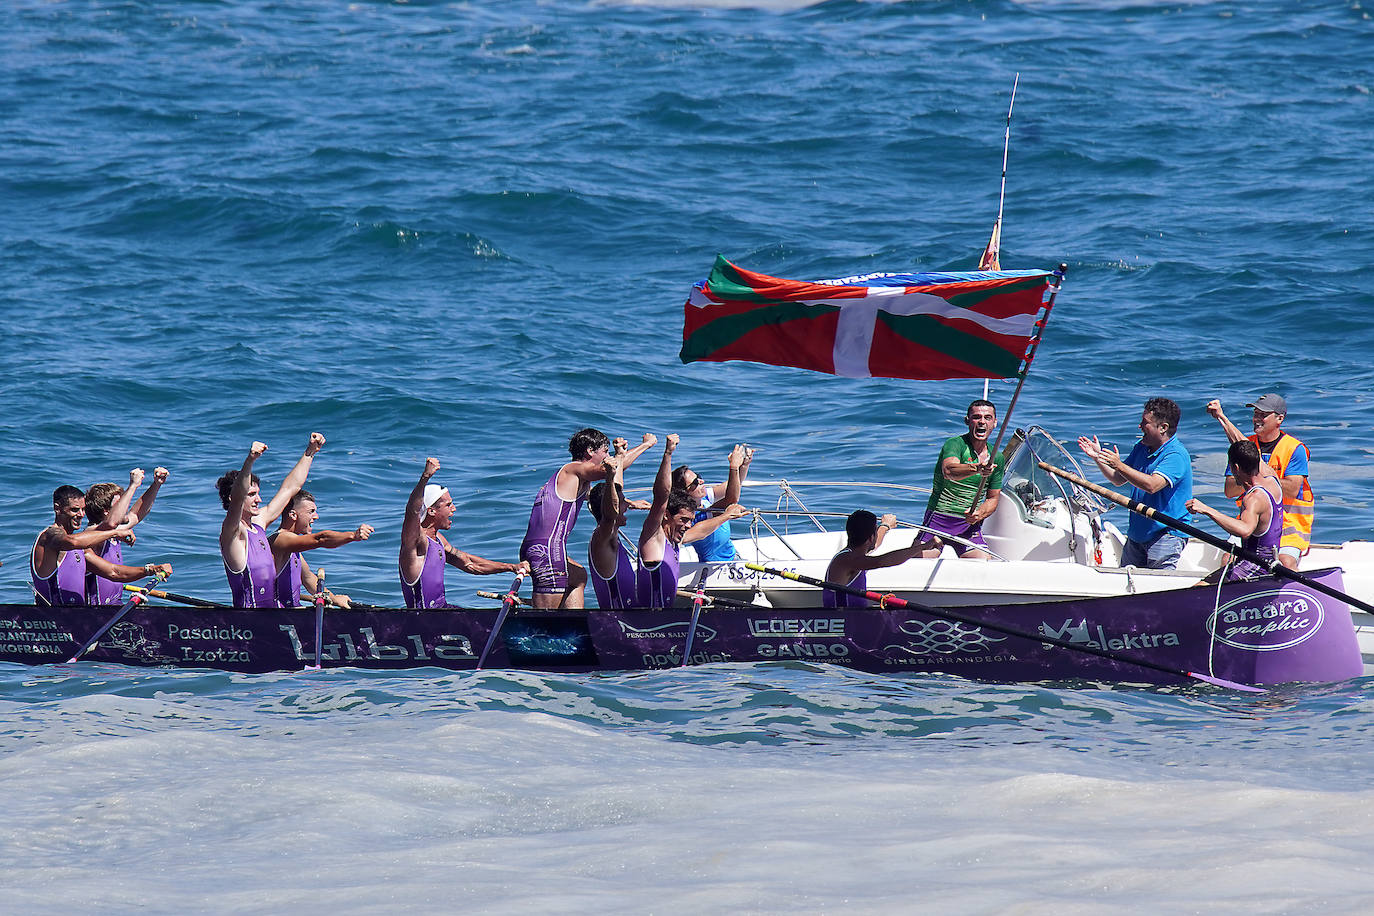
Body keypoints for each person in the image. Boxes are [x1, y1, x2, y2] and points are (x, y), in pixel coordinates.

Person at [520, 429, 656, 609]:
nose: (608, 456)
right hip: (548, 550)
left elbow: (605, 496)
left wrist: (629, 503)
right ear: (590, 451)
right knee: (544, 617)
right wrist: (646, 445)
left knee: (578, 577)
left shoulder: (574, 481)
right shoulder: (574, 469)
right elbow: (612, 469)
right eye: (605, 451)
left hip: (538, 546)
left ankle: (575, 625)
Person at [1080, 397, 1193, 570]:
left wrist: (1119, 464)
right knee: (1128, 582)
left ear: (1163, 428)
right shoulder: (1141, 447)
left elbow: (1152, 485)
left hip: (1165, 533)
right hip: (1138, 531)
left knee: (1158, 587)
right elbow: (1118, 479)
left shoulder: (1175, 455)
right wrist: (1098, 458)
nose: (1140, 426)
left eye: (1145, 422)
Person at [400, 457, 527, 609]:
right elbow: (412, 512)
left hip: (443, 611)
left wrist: (511, 567)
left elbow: (470, 564)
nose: (454, 509)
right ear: (432, 511)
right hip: (423, 619)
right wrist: (425, 477)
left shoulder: (439, 540)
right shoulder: (416, 541)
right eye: (448, 505)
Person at [1205, 393, 1313, 569]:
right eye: (1256, 413)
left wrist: (1254, 476)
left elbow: (1291, 490)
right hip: (1252, 518)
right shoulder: (1245, 446)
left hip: (1288, 525)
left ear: (1280, 418)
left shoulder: (1294, 449)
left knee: (1285, 563)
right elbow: (1230, 490)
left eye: (1263, 415)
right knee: (1228, 560)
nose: (1257, 419)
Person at [636, 435, 746, 608]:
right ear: (666, 515)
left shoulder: (695, 509)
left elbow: (731, 489)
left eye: (690, 521)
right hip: (712, 570)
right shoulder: (657, 536)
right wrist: (667, 453)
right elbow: (662, 496)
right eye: (685, 520)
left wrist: (743, 465)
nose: (687, 525)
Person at [217, 434, 325, 608]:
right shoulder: (233, 532)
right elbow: (238, 497)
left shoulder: (259, 523)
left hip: (273, 616)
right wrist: (250, 460)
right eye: (252, 495)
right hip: (247, 622)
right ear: (232, 497)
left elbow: (290, 488)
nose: (259, 500)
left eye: (258, 494)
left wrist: (310, 452)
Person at [31, 474, 172, 607]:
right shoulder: (49, 536)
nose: (81, 515)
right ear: (57, 509)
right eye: (74, 510)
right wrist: (115, 532)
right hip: (52, 618)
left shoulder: (83, 547)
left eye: (83, 510)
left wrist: (150, 569)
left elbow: (114, 572)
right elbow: (72, 542)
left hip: (81, 618)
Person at [1186, 440, 1283, 582]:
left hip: (1255, 567)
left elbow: (1245, 530)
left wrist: (1206, 510)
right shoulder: (1273, 479)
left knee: (1199, 591)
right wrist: (1221, 418)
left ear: (1235, 468)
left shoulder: (1254, 498)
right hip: (1270, 562)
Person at [921, 400, 1006, 559]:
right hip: (939, 519)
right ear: (967, 421)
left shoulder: (997, 457)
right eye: (976, 417)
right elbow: (949, 471)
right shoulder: (955, 444)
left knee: (983, 562)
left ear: (994, 423)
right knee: (920, 562)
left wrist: (980, 513)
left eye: (987, 418)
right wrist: (978, 468)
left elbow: (993, 498)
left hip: (968, 525)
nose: (982, 421)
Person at [268, 490, 374, 608]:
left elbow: (308, 578)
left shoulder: (292, 546)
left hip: (290, 613)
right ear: (293, 515)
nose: (316, 516)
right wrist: (353, 536)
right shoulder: (281, 539)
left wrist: (334, 599)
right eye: (311, 512)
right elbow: (321, 539)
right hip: (277, 616)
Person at [83, 466, 171, 605]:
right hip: (95, 614)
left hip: (115, 607)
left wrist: (156, 484)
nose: (126, 506)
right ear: (106, 511)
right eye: (121, 503)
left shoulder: (112, 532)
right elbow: (115, 572)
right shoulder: (91, 536)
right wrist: (133, 485)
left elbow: (136, 514)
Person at [823, 511, 933, 607]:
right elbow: (882, 561)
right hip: (844, 623)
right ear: (871, 537)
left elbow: (875, 544)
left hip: (855, 619)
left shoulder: (855, 555)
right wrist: (924, 546)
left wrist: (885, 526)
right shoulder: (847, 560)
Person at [672, 444, 754, 562]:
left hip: (733, 559)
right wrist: (733, 467)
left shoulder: (703, 499)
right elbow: (731, 500)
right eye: (696, 482)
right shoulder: (693, 515)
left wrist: (744, 465)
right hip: (714, 568)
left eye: (699, 477)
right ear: (685, 492)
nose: (702, 481)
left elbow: (733, 486)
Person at [587, 455, 638, 609]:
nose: (627, 506)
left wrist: (620, 458)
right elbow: (610, 514)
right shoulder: (602, 538)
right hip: (619, 624)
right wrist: (609, 477)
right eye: (624, 503)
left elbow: (615, 493)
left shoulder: (612, 536)